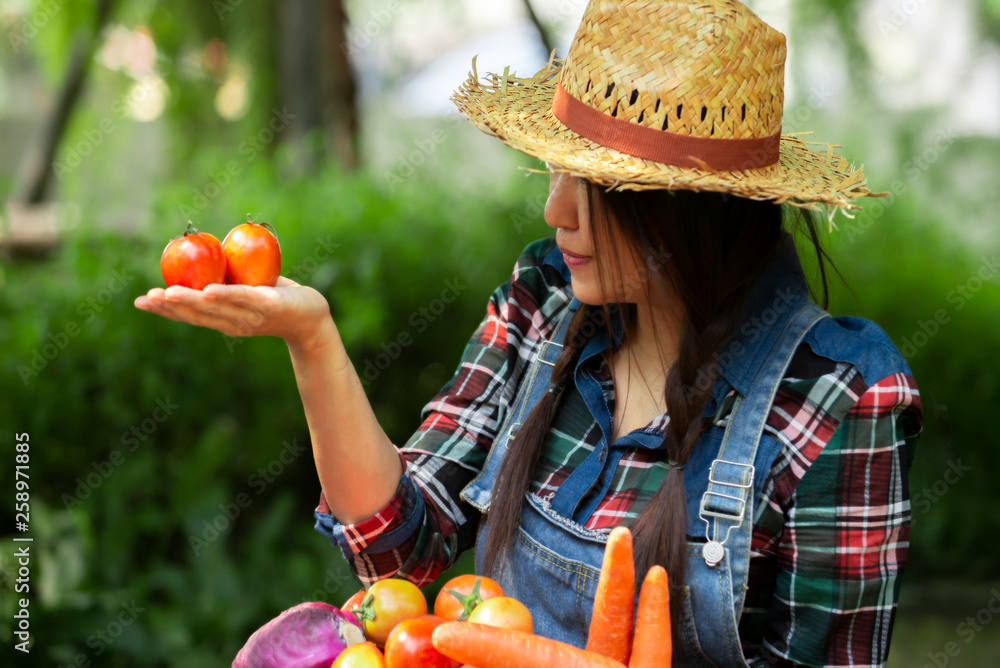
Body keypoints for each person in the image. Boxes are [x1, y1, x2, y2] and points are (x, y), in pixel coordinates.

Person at [135, 1, 923, 665]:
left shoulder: (838, 397)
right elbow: (399, 554)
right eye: (554, 168)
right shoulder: (545, 300)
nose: (556, 212)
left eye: (595, 186)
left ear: (687, 206)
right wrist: (313, 342)